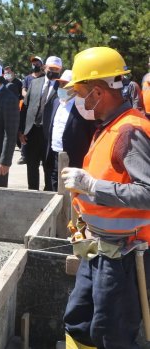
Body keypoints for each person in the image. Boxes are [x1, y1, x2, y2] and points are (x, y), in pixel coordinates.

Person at [61, 47, 150, 348]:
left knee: (113, 336)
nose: (78, 99)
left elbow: (148, 193)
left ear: (98, 92)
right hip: (99, 250)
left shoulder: (130, 132)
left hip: (124, 258)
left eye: (81, 92)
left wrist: (92, 186)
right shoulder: (108, 127)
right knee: (78, 323)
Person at [44, 70, 94, 191]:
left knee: (71, 190)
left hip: (74, 157)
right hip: (54, 154)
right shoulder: (56, 102)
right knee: (54, 186)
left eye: (65, 85)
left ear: (75, 87)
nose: (61, 87)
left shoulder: (84, 106)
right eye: (60, 84)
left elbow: (90, 133)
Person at [19, 56, 61, 190]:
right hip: (31, 133)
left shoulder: (62, 87)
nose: (53, 71)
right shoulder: (35, 83)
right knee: (31, 167)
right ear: (44, 68)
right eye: (51, 68)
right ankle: (33, 194)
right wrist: (21, 131)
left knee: (49, 169)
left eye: (57, 69)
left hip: (49, 135)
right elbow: (25, 108)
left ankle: (48, 197)